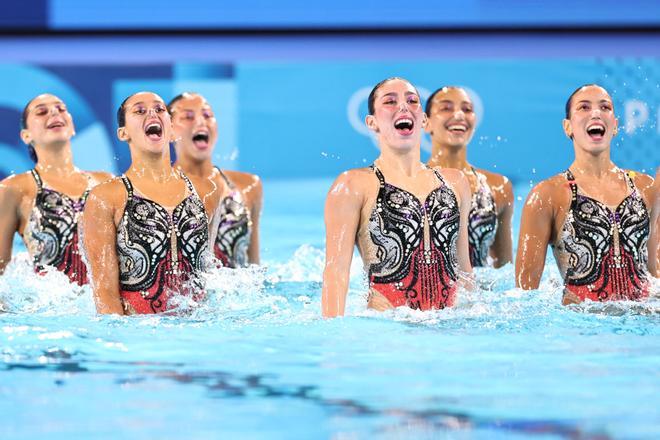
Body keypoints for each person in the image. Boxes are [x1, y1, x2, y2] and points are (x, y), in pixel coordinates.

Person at [322, 77, 472, 318]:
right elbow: (335, 272)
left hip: (449, 325)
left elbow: (464, 270)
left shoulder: (456, 183)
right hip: (387, 329)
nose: (403, 107)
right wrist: (331, 338)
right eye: (390, 102)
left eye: (412, 101)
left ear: (423, 120)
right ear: (372, 122)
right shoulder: (352, 185)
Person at [82, 92, 221, 314]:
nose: (152, 114)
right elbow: (105, 294)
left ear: (172, 128)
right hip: (140, 334)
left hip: (198, 332)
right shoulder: (106, 197)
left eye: (159, 109)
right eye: (139, 111)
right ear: (123, 133)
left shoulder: (208, 191)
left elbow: (208, 275)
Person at [516, 84, 655, 304]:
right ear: (568, 127)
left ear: (616, 125)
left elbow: (655, 272)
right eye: (584, 107)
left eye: (605, 107)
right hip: (581, 329)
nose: (596, 113)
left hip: (642, 322)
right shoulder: (547, 195)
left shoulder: (646, 188)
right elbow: (524, 296)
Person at [0, 94, 111, 285]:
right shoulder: (15, 188)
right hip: (51, 309)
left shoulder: (106, 182)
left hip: (105, 310)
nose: (54, 112)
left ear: (72, 126)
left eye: (61, 109)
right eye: (42, 112)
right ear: (26, 136)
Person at [168, 92, 262, 268]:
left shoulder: (248, 185)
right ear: (170, 131)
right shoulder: (160, 189)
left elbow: (254, 267)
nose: (201, 122)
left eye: (207, 115)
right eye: (188, 116)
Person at [426, 86, 513, 268]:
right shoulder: (411, 184)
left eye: (467, 109)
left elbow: (504, 268)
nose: (459, 115)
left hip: (479, 295)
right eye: (446, 108)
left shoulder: (498, 186)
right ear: (426, 123)